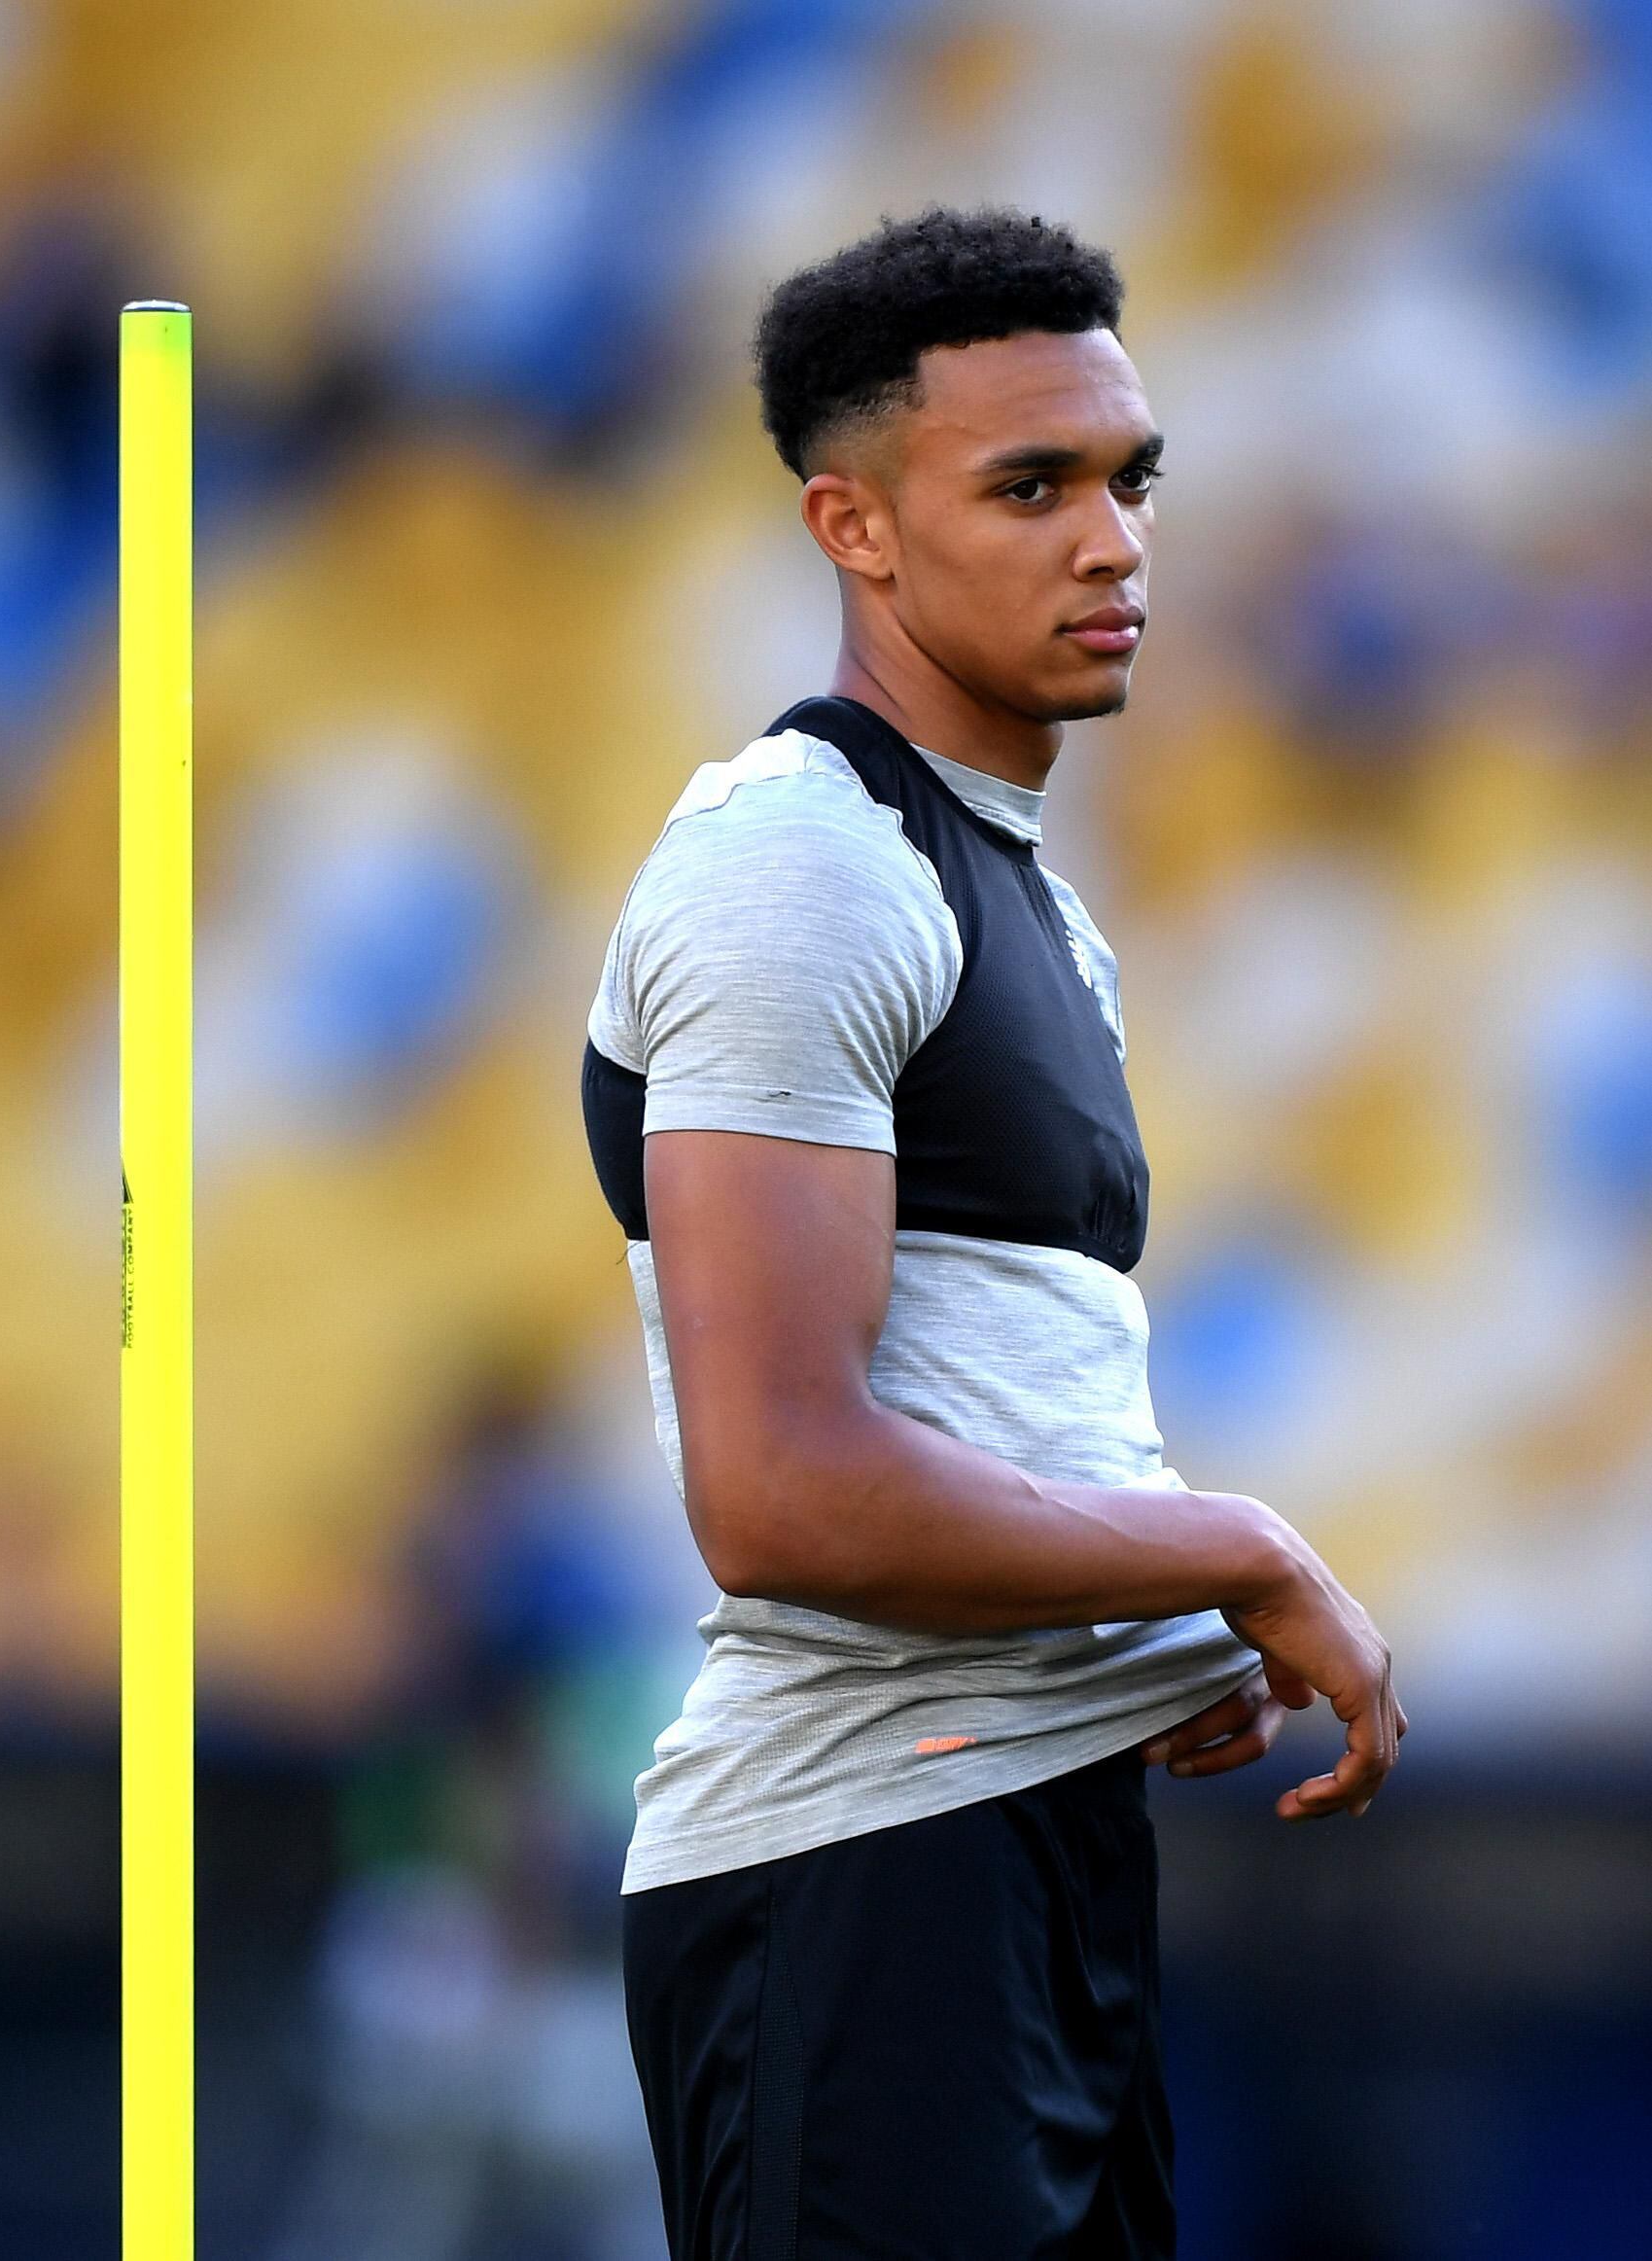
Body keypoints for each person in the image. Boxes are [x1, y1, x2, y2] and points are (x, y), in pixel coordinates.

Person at [580, 203, 1407, 2261]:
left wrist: (1128, 1611)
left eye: (1129, 479)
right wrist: (1234, 1543)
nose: (1111, 539)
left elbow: (966, 1383)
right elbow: (779, 1488)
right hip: (863, 1862)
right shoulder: (799, 861)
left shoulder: (1023, 892)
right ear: (850, 528)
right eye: (1027, 486)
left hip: (1022, 1843)